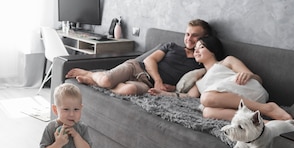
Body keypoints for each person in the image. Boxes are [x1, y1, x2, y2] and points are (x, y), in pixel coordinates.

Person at [148, 36, 294, 122]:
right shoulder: (200, 80)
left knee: (206, 98)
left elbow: (258, 79)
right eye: (195, 49)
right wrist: (162, 93)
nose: (197, 50)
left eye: (201, 47)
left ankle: (268, 108)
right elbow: (187, 97)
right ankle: (262, 122)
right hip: (228, 102)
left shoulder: (227, 61)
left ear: (212, 50)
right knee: (207, 112)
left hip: (247, 91)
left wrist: (249, 75)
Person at [66, 19, 213, 95]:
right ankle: (92, 74)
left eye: (195, 36)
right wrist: (158, 80)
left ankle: (94, 82)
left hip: (146, 84)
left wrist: (171, 87)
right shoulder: (172, 46)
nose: (189, 39)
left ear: (204, 38)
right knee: (106, 80)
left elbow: (187, 87)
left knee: (128, 90)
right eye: (187, 34)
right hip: (136, 68)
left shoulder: (200, 64)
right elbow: (149, 60)